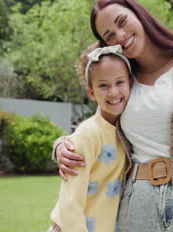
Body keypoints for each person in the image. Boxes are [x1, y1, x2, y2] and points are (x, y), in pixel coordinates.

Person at [53, 0, 173, 232]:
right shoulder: (121, 80)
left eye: (122, 22)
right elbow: (100, 128)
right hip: (133, 208)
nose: (120, 35)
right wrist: (65, 145)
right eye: (109, 35)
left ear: (140, 15)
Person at [47, 43, 132, 232]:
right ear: (91, 92)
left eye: (120, 82)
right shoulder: (88, 135)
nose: (113, 92)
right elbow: (70, 203)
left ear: (130, 84)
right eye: (103, 85)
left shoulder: (127, 130)